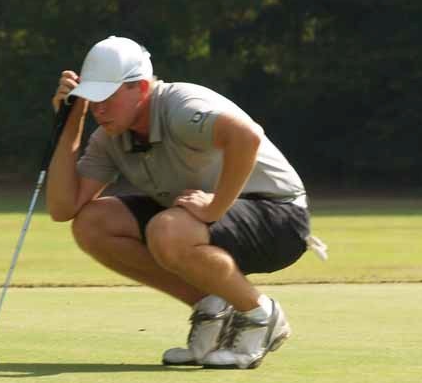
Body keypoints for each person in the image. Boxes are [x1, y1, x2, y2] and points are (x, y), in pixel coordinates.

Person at [45, 36, 322, 369]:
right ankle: (211, 307)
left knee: (167, 229)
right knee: (91, 224)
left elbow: (246, 136)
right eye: (93, 97)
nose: (99, 108)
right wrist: (70, 122)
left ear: (142, 88)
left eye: (108, 96)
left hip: (280, 218)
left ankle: (261, 315)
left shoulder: (180, 105)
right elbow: (64, 208)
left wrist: (214, 207)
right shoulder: (110, 137)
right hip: (193, 220)